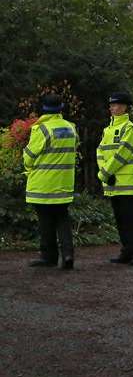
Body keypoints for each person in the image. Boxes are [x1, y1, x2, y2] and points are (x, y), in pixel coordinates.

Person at [23, 94, 78, 270]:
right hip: (64, 184)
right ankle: (68, 255)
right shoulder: (71, 128)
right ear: (60, 108)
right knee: (62, 219)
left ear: (43, 109)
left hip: (43, 185)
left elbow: (29, 157)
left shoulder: (42, 129)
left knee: (46, 221)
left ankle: (49, 257)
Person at [97, 92, 133, 266]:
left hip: (127, 182)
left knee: (129, 219)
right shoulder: (107, 130)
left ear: (125, 107)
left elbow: (122, 154)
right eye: (111, 105)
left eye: (115, 105)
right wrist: (105, 172)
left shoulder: (129, 129)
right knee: (120, 220)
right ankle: (127, 252)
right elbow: (100, 152)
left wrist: (104, 173)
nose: (112, 108)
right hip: (113, 181)